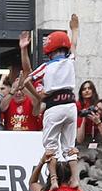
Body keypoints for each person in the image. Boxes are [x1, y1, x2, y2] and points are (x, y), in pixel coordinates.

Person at [22, 16, 80, 164]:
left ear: (48, 50)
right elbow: (74, 44)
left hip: (54, 106)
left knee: (51, 147)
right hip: (71, 106)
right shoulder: (70, 60)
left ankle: (53, 178)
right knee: (69, 147)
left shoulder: (47, 67)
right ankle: (74, 179)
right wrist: (75, 29)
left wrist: (38, 96)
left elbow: (27, 80)